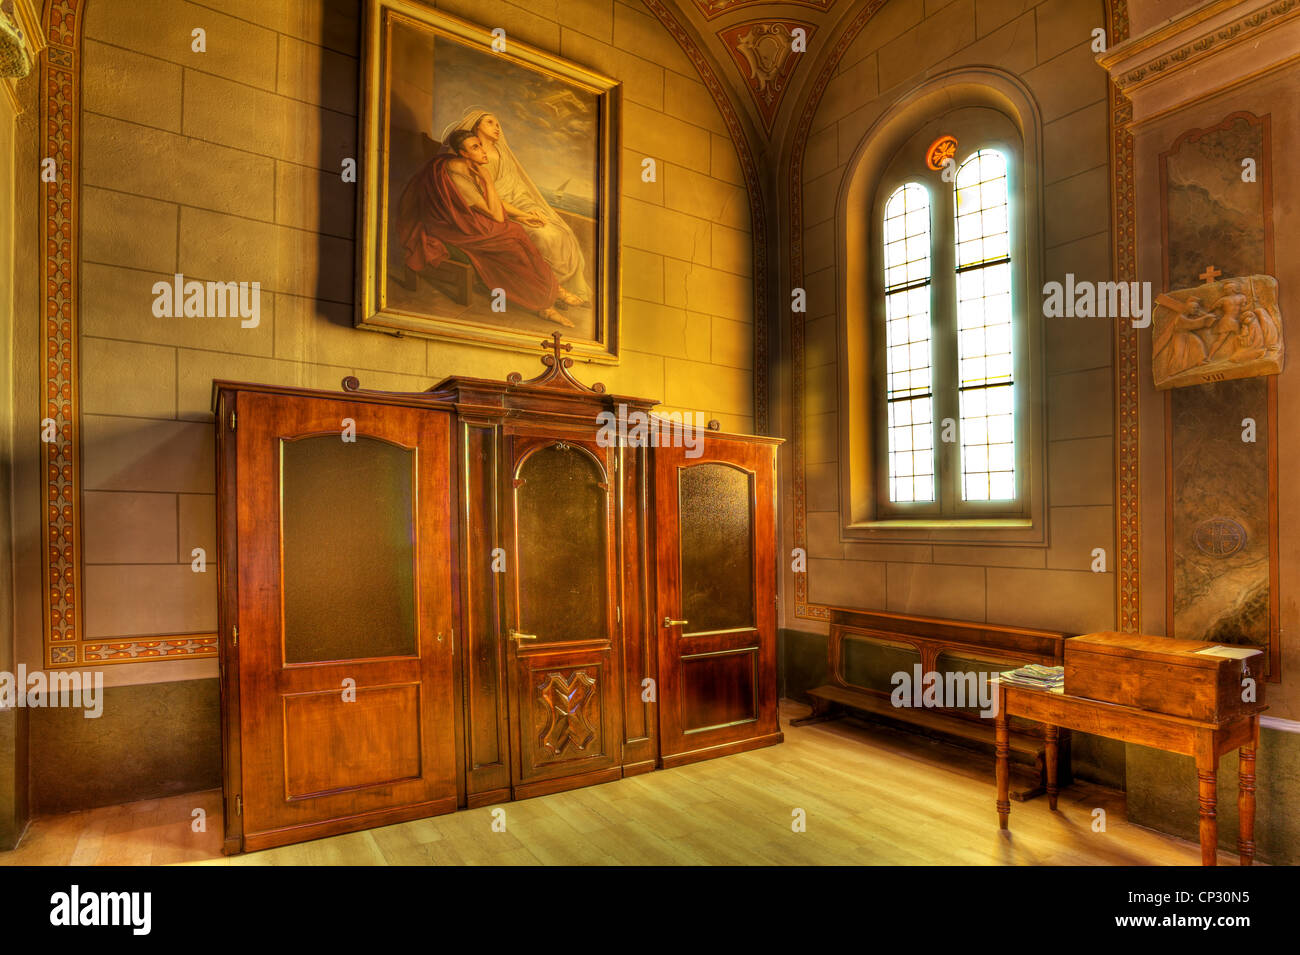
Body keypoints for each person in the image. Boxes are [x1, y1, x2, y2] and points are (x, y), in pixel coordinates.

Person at [396, 129, 572, 326]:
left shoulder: (470, 167)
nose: (483, 150)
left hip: (465, 222)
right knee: (511, 240)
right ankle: (542, 304)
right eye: (475, 147)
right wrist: (488, 179)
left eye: (480, 145)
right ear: (463, 153)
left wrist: (524, 216)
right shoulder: (457, 176)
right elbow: (496, 215)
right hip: (450, 230)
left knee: (516, 231)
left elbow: (492, 200)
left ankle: (551, 290)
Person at [442, 108, 592, 307]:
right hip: (493, 212)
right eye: (490, 122)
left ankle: (555, 288)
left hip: (512, 207)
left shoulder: (501, 153)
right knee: (544, 236)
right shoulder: (466, 162)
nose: (496, 127)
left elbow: (517, 189)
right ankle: (548, 290)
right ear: (476, 125)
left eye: (497, 124)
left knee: (562, 233)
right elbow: (486, 199)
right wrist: (520, 216)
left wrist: (529, 209)